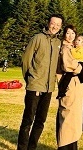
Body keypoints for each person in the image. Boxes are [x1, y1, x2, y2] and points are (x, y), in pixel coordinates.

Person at [17, 13, 64, 150]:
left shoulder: (58, 43)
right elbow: (26, 60)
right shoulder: (37, 38)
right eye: (53, 23)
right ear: (48, 23)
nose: (55, 26)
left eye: (58, 24)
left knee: (40, 121)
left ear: (60, 27)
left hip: (49, 88)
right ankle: (22, 148)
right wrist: (30, 79)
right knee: (28, 120)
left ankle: (32, 147)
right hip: (35, 85)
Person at [56, 24, 83, 150]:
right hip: (69, 86)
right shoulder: (65, 48)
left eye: (73, 34)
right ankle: (65, 146)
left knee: (74, 119)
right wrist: (82, 68)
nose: (71, 36)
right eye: (68, 33)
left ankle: (72, 146)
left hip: (76, 86)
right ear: (64, 34)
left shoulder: (73, 47)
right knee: (67, 118)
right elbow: (69, 65)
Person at [56, 33, 83, 99]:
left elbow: (76, 55)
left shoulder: (81, 49)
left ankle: (62, 91)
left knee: (68, 75)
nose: (77, 41)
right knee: (68, 76)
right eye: (76, 40)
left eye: (79, 40)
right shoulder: (76, 48)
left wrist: (71, 49)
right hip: (80, 64)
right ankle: (62, 91)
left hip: (82, 64)